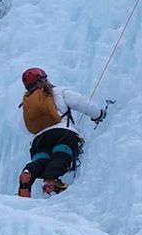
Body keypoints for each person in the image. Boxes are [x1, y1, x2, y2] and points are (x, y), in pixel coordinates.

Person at [16, 67, 105, 197]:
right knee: (61, 155)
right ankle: (51, 180)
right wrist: (98, 114)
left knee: (41, 162)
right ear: (43, 79)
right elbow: (81, 102)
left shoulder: (27, 104)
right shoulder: (58, 92)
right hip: (62, 135)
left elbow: (24, 127)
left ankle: (29, 172)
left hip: (38, 142)